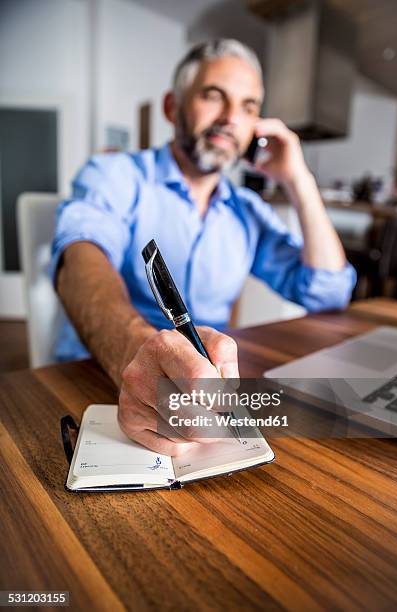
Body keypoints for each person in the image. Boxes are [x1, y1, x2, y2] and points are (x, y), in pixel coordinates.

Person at [51, 39, 356, 455]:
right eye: (215, 96)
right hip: (88, 382)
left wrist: (298, 180)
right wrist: (135, 350)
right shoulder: (116, 175)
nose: (232, 118)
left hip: (200, 399)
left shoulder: (248, 211)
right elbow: (79, 263)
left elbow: (328, 291)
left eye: (249, 107)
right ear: (173, 108)